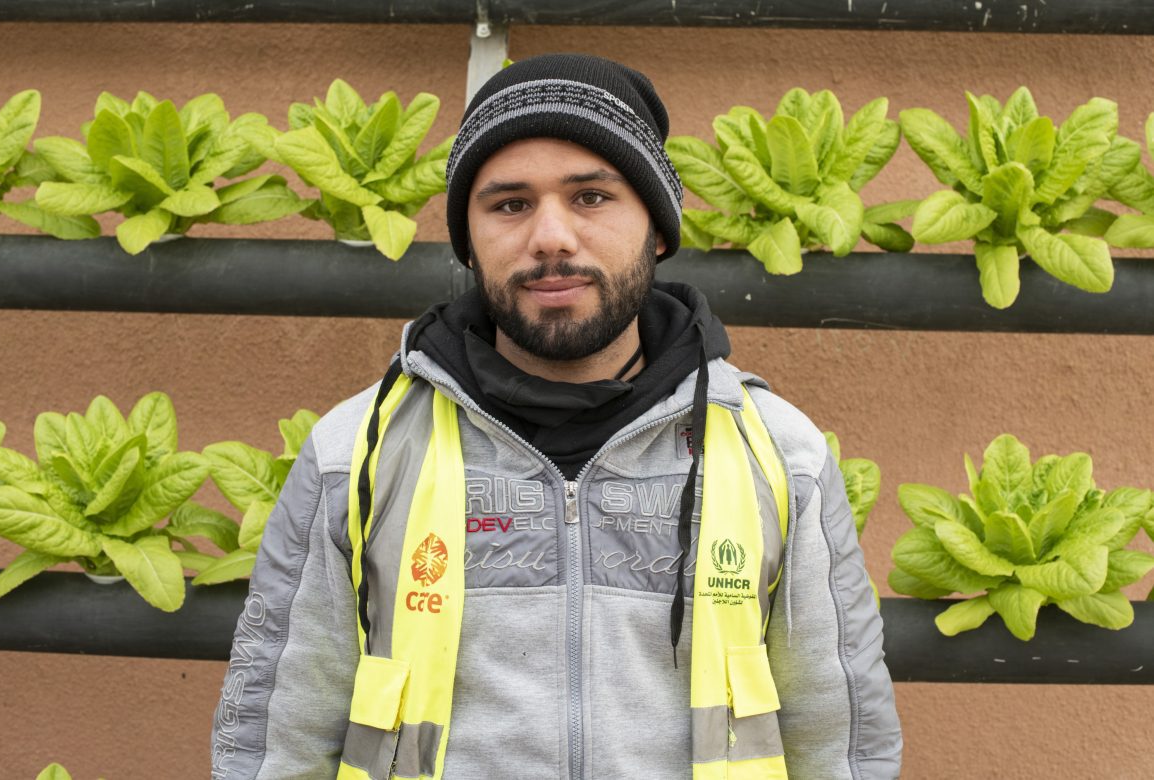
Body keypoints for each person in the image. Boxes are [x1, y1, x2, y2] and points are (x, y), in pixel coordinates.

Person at [211, 53, 901, 780]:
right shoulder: (354, 454)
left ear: (659, 230)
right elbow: (275, 744)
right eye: (509, 204)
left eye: (591, 198)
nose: (551, 237)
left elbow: (841, 742)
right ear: (469, 242)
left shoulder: (778, 454)